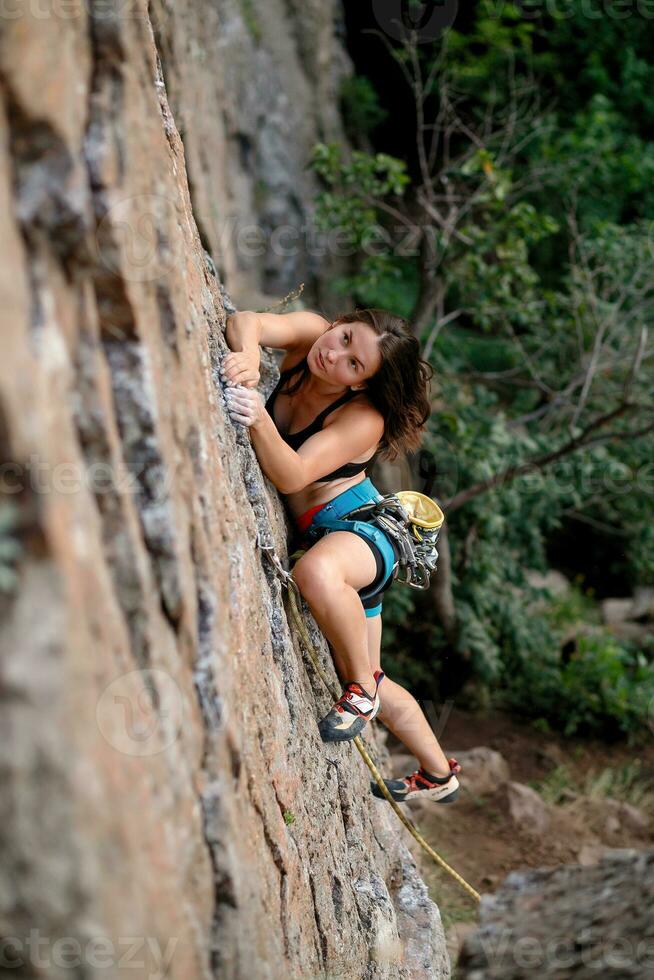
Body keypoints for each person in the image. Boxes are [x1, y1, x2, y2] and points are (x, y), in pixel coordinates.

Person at [222, 308, 460, 804]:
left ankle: (359, 693)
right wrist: (246, 357)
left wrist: (257, 413)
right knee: (372, 670)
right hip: (334, 532)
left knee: (317, 572)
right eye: (345, 337)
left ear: (360, 386)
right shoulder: (315, 334)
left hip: (367, 533)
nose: (334, 355)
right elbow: (248, 320)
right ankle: (439, 774)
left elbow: (291, 475)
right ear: (340, 322)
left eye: (354, 364)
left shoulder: (363, 419)